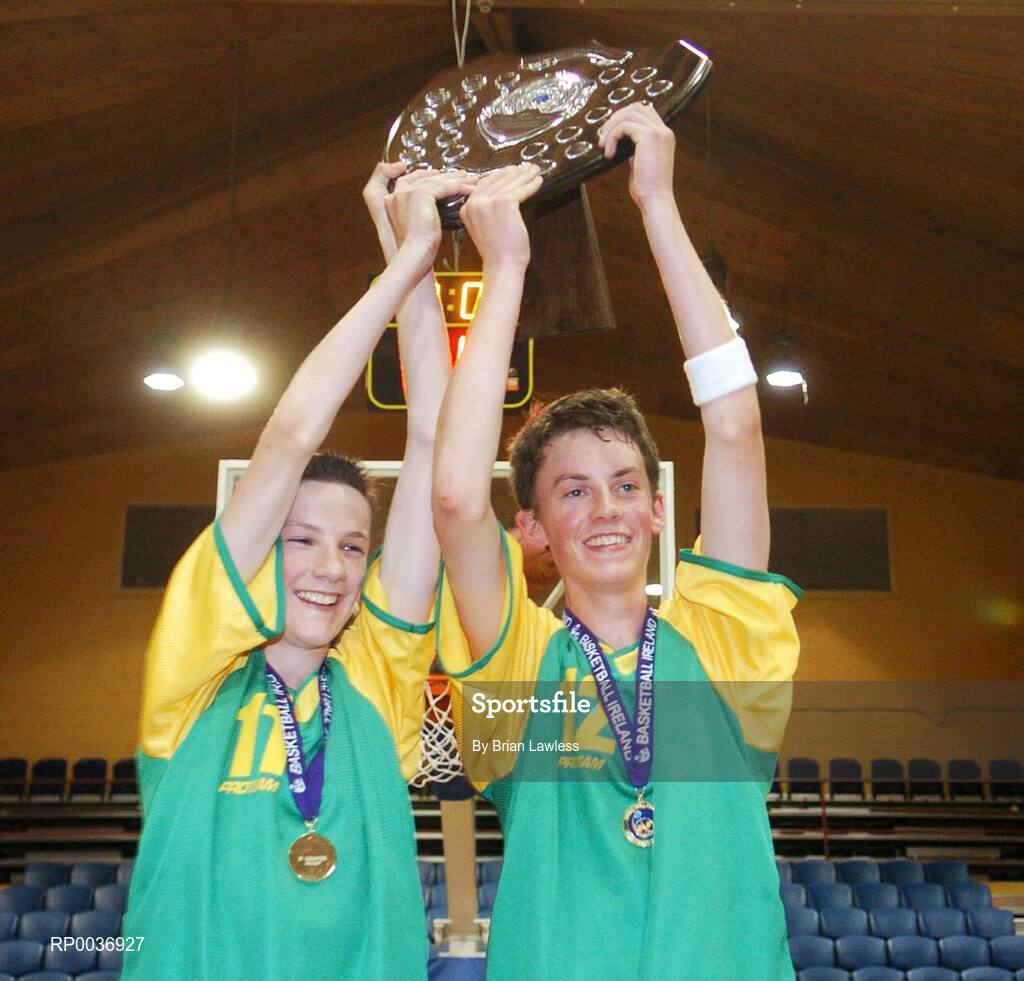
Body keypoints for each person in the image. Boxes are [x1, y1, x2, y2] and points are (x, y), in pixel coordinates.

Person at [431, 104, 802, 980]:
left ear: (659, 511)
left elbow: (737, 425)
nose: (606, 508)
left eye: (627, 485)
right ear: (534, 529)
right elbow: (452, 498)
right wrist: (507, 268)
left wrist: (658, 205)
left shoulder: (721, 641)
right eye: (573, 490)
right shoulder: (521, 666)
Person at [120, 163, 475, 981]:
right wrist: (398, 259)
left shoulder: (376, 680)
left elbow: (431, 437)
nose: (330, 567)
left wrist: (420, 253)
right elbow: (286, 439)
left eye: (354, 546)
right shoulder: (196, 672)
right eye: (299, 539)